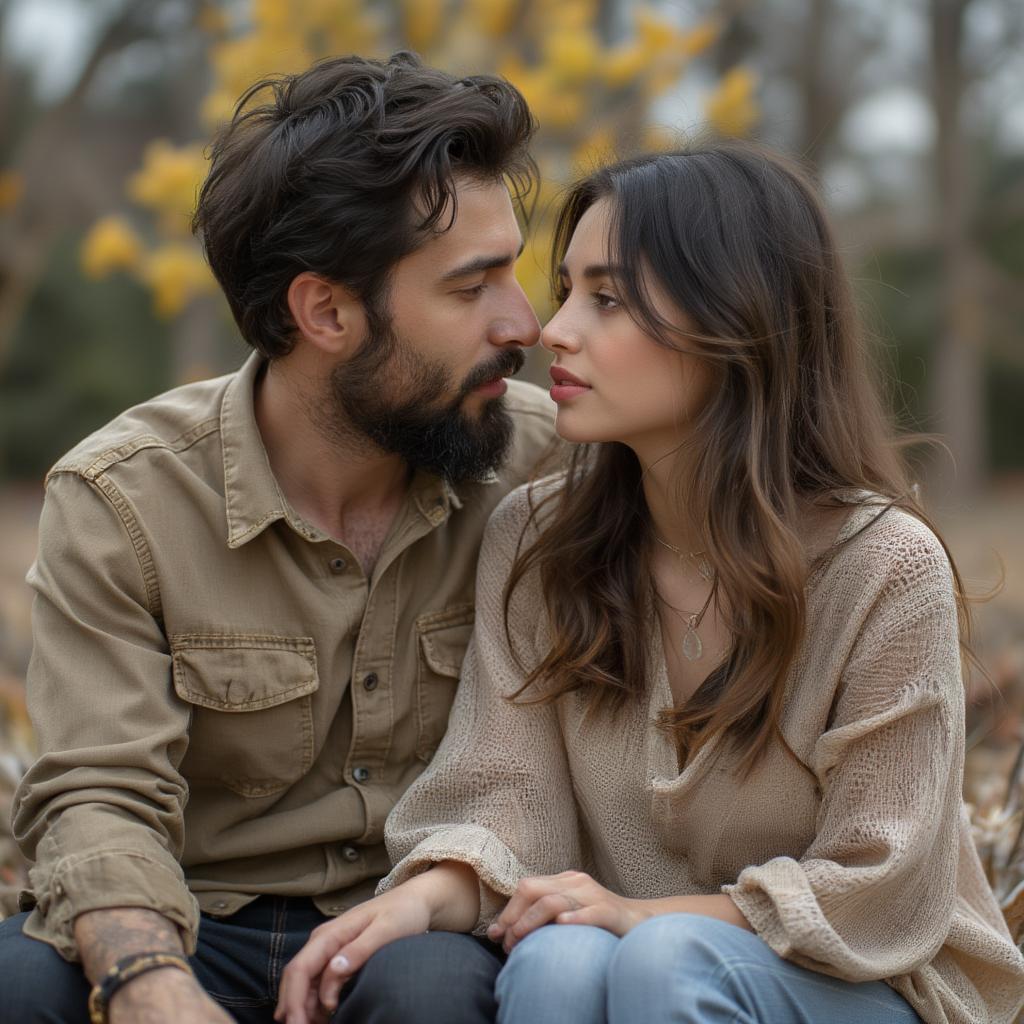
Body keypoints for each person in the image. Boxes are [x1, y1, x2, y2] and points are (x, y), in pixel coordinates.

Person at [276, 142, 1024, 1024]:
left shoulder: (883, 567)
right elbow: (504, 803)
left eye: (609, 298)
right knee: (554, 964)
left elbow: (879, 886)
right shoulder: (537, 540)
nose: (554, 330)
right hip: (629, 961)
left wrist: (649, 916)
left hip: (866, 986)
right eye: (566, 291)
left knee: (665, 964)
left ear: (736, 321)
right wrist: (412, 901)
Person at [0, 53, 556, 1024]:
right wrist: (148, 983)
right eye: (474, 288)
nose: (527, 321)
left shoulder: (546, 466)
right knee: (20, 981)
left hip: (414, 921)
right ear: (326, 311)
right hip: (190, 913)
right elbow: (98, 791)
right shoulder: (123, 497)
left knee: (433, 988)